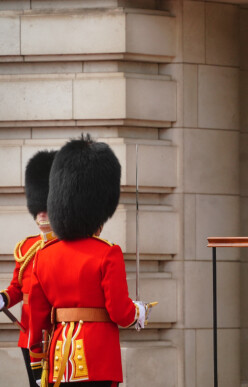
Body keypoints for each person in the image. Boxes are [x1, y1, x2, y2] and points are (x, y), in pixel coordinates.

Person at [27, 135, 152, 387]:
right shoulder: (108, 253)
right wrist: (139, 312)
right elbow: (120, 312)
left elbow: (37, 318)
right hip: (98, 359)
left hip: (59, 359)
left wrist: (38, 359)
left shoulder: (43, 255)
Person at [0, 150, 57, 387]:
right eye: (39, 207)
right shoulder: (26, 247)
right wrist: (3, 299)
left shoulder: (65, 246)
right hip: (28, 334)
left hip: (55, 332)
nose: (42, 213)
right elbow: (17, 287)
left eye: (47, 206)